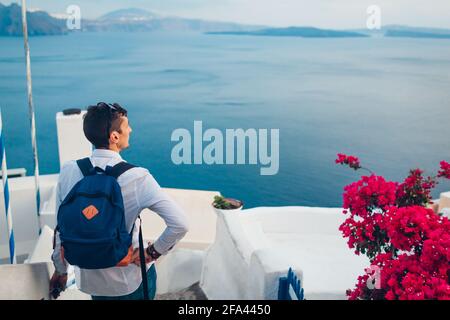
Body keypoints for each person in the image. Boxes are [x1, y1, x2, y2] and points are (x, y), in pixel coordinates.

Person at [49, 102, 189, 300]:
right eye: (127, 126)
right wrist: (152, 252)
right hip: (128, 281)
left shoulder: (69, 171)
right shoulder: (137, 177)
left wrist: (61, 270)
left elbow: (60, 230)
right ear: (114, 136)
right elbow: (180, 224)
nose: (130, 129)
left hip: (91, 282)